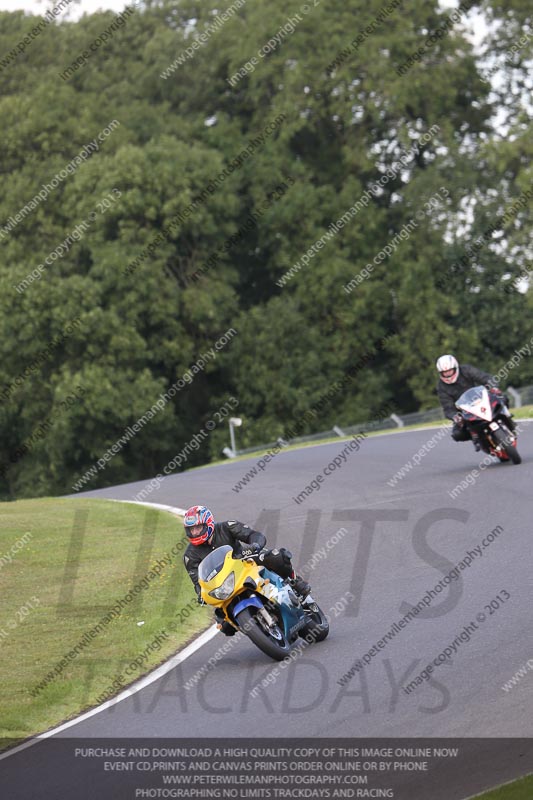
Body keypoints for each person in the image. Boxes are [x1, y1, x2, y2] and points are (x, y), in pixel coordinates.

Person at [182, 505, 311, 636]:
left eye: (198, 528)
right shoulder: (189, 556)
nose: (195, 532)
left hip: (245, 562)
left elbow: (254, 535)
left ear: (208, 524)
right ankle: (258, 628)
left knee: (276, 556)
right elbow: (198, 582)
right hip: (224, 583)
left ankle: (295, 582)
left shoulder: (227, 526)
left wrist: (254, 545)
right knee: (224, 625)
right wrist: (201, 595)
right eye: (191, 530)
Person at [435, 354, 514, 450]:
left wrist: (493, 387)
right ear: (440, 373)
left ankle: (507, 417)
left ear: (456, 367)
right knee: (457, 434)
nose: (448, 374)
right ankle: (476, 438)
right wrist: (455, 416)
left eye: (450, 371)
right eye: (445, 372)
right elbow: (447, 407)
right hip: (464, 411)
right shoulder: (441, 387)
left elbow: (484, 377)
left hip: (480, 399)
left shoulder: (466, 370)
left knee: (503, 398)